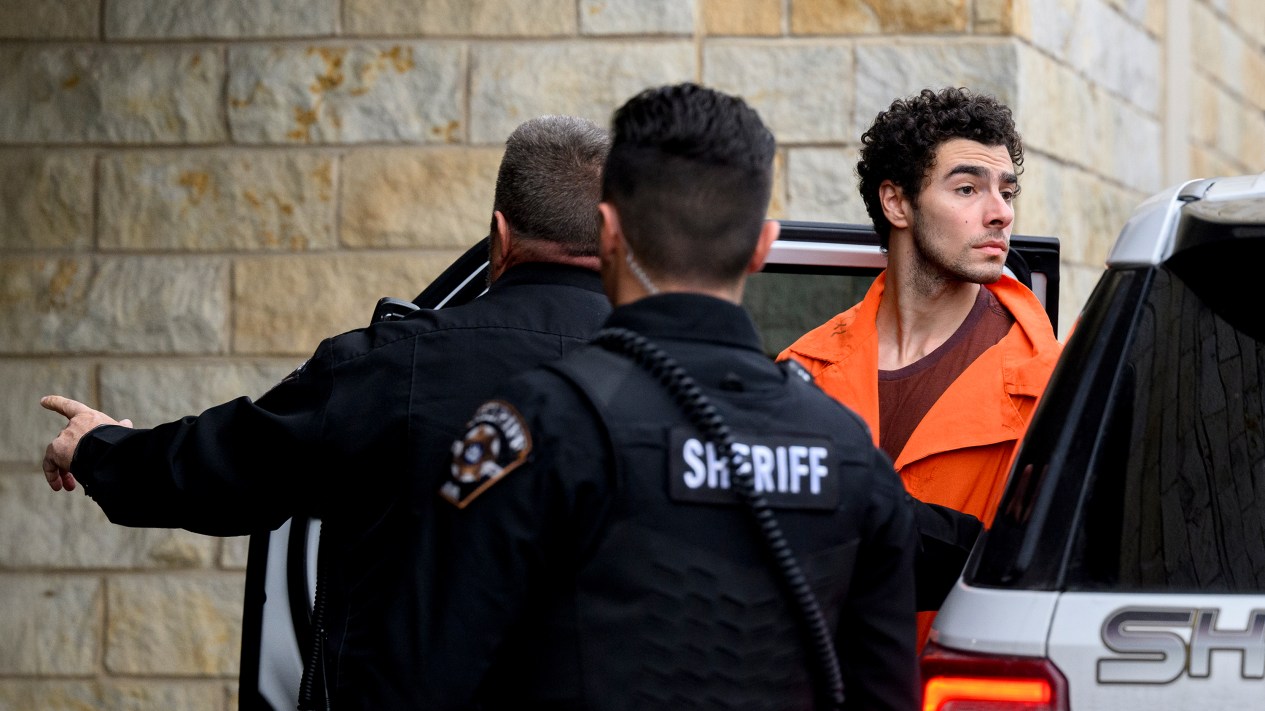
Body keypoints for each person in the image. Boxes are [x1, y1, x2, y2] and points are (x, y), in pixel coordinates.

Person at [38, 115, 613, 710]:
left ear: (499, 234)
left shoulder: (392, 365)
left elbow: (225, 469)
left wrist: (100, 446)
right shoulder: (673, 378)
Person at [421, 83, 918, 711]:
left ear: (607, 232)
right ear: (762, 246)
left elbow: (417, 675)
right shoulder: (850, 453)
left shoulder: (537, 426)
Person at [779, 87, 1062, 642]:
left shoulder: (1053, 389)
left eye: (1007, 191)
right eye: (967, 189)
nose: (1001, 212)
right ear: (897, 203)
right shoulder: (802, 369)